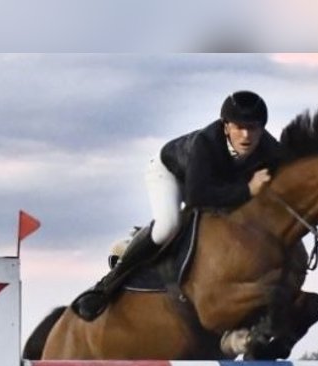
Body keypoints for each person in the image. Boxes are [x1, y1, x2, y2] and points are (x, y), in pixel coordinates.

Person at [71, 90, 282, 322]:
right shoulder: (206, 143)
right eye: (238, 127)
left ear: (262, 129)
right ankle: (105, 287)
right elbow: (196, 197)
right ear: (225, 126)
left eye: (253, 128)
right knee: (169, 225)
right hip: (170, 174)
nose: (246, 135)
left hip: (211, 185)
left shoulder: (271, 149)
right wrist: (248, 190)